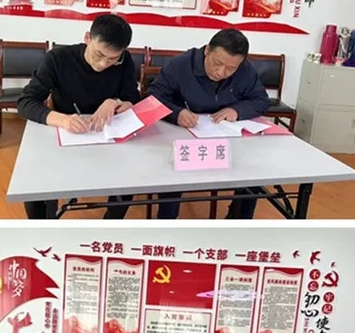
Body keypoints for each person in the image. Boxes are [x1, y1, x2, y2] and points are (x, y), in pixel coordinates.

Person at [17, 14, 140, 220]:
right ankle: (42, 228)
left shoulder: (124, 61)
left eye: (112, 59)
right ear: (87, 38)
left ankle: (110, 223)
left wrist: (115, 101)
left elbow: (133, 99)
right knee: (33, 182)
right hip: (66, 136)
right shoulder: (58, 59)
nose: (103, 64)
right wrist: (64, 120)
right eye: (99, 54)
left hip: (106, 138)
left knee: (129, 177)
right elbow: (25, 102)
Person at [146, 29, 271, 219]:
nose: (221, 72)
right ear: (207, 50)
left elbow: (261, 100)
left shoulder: (245, 70)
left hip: (227, 137)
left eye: (230, 69)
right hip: (184, 135)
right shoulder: (180, 65)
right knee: (174, 173)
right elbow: (152, 97)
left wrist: (237, 111)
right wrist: (177, 113)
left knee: (252, 173)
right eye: (217, 63)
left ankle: (238, 223)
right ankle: (166, 222)